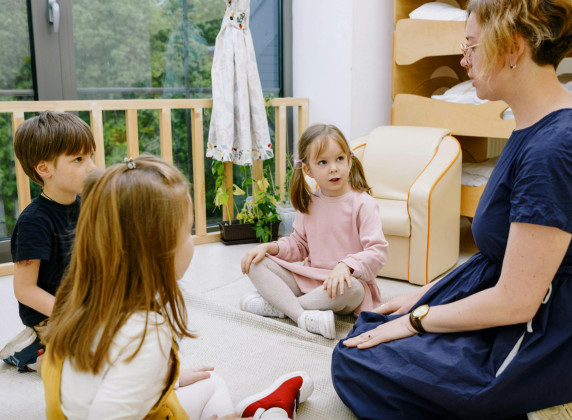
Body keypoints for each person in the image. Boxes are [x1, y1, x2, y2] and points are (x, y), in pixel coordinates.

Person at [332, 0, 572, 419]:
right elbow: (501, 254)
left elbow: (518, 301)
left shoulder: (552, 149)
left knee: (359, 362)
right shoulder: (529, 126)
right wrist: (423, 297)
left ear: (513, 49)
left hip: (540, 330)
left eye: (472, 47)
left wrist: (417, 320)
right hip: (505, 294)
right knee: (369, 330)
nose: (465, 60)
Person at [41, 155, 314, 420]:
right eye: (188, 231)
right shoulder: (144, 335)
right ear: (160, 249)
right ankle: (270, 411)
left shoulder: (74, 299)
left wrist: (165, 378)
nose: (192, 241)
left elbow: (99, 382)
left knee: (211, 380)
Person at [240, 124, 388, 339]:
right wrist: (269, 247)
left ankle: (281, 307)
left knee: (352, 288)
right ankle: (301, 315)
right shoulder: (310, 203)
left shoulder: (364, 204)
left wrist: (346, 265)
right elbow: (299, 245)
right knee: (256, 262)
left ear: (349, 159)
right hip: (308, 281)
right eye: (323, 162)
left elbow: (377, 251)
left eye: (339, 159)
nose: (334, 168)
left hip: (343, 287)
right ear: (308, 169)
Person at [0, 111, 96, 374]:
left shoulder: (85, 204)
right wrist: (75, 312)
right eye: (78, 159)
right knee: (88, 359)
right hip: (51, 313)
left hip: (83, 301)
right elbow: (25, 290)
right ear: (44, 169)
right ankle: (30, 351)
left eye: (91, 156)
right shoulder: (34, 222)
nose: (91, 167)